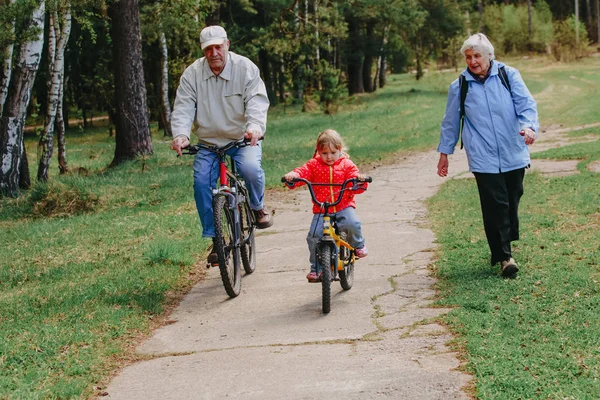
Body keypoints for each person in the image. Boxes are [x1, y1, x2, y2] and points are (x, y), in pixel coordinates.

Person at [436, 33, 539, 277]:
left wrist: (530, 127)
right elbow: (450, 122)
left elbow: (526, 104)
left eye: (477, 56)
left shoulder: (508, 75)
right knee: (495, 204)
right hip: (482, 155)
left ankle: (505, 238)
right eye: (468, 57)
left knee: (513, 198)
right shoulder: (459, 86)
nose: (472, 61)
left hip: (513, 148)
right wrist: (444, 153)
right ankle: (505, 257)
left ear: (489, 56)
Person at [170, 25, 273, 264]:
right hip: (208, 142)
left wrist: (255, 126)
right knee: (201, 182)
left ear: (227, 44)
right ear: (203, 50)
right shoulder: (192, 74)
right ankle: (216, 238)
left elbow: (256, 100)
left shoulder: (245, 68)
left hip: (243, 138)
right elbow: (184, 107)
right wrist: (181, 135)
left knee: (249, 168)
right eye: (208, 49)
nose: (214, 52)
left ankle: (257, 207)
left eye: (218, 46)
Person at [283, 129, 369, 282]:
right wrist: (293, 176)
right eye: (324, 153)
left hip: (343, 204)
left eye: (333, 152)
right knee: (314, 236)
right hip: (322, 208)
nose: (329, 157)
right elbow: (302, 172)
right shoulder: (314, 165)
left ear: (340, 150)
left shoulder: (346, 165)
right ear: (318, 151)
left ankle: (357, 244)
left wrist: (359, 179)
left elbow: (354, 177)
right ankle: (317, 268)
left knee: (352, 223)